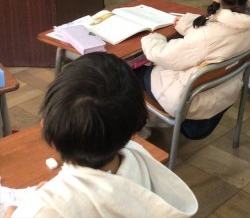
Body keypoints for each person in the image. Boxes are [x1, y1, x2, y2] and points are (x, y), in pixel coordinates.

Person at [8, 53, 198, 217]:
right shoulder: (137, 156)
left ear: (44, 124)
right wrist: (56, 195)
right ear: (135, 129)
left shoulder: (42, 210)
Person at [139, 0, 250, 140]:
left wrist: (151, 38)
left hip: (188, 101)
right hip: (223, 94)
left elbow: (164, 55)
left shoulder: (206, 36)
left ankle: (139, 128)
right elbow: (214, 35)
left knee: (127, 72)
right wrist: (188, 24)